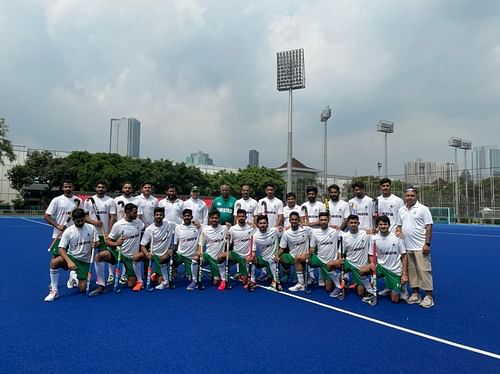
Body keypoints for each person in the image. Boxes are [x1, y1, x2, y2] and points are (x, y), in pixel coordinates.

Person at [89, 203, 145, 296]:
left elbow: (146, 228)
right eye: (134, 213)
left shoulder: (139, 223)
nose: (136, 215)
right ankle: (101, 285)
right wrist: (116, 243)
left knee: (131, 284)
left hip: (131, 257)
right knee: (99, 256)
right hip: (118, 253)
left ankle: (129, 275)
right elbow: (108, 241)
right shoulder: (118, 225)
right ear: (127, 212)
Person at [44, 208, 99, 301]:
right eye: (78, 221)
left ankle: (73, 276)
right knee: (54, 262)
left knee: (82, 288)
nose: (81, 223)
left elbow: (97, 242)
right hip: (72, 257)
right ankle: (54, 291)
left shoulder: (92, 228)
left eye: (83, 220)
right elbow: (61, 249)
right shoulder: (69, 231)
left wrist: (96, 244)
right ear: (73, 219)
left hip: (85, 261)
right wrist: (69, 262)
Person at [397, 187, 434, 308]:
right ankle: (416, 294)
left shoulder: (423, 209)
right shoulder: (401, 209)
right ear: (405, 196)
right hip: (407, 247)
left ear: (416, 196)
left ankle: (428, 296)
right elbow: (399, 225)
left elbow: (428, 226)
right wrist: (398, 231)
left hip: (420, 246)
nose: (409, 198)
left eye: (412, 195)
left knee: (424, 271)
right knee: (412, 271)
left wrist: (427, 244)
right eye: (407, 195)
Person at [361, 215, 408, 303]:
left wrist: (404, 274)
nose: (383, 226)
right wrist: (371, 263)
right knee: (362, 270)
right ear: (377, 226)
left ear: (389, 225)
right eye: (381, 224)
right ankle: (371, 292)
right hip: (381, 267)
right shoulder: (374, 238)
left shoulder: (397, 237)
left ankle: (396, 287)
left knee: (394, 300)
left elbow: (404, 256)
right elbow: (371, 254)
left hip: (394, 270)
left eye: (385, 224)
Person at [339, 215, 374, 302]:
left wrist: (374, 231)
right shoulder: (345, 236)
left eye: (355, 223)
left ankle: (363, 286)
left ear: (358, 223)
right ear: (348, 224)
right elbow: (341, 252)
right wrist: (340, 259)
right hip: (349, 263)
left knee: (360, 293)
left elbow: (376, 236)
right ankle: (341, 282)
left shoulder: (365, 234)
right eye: (351, 223)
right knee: (331, 264)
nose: (353, 224)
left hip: (360, 267)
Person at [140, 207, 176, 290]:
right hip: (154, 254)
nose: (158, 216)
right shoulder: (149, 229)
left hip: (165, 254)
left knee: (161, 281)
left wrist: (172, 249)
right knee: (138, 256)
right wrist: (147, 254)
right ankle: (145, 275)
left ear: (163, 216)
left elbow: (182, 227)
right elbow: (142, 245)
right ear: (154, 216)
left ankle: (159, 276)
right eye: (157, 215)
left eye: (160, 215)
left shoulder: (170, 224)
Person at [44, 180, 83, 257]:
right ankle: (53, 270)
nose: (68, 188)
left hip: (75, 234)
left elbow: (82, 216)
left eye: (70, 187)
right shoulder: (57, 200)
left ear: (73, 188)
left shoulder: (79, 201)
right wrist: (58, 226)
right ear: (62, 188)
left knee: (74, 257)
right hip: (59, 234)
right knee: (56, 258)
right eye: (66, 187)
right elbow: (46, 216)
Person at [110, 181, 138, 285]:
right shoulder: (116, 200)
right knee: (110, 253)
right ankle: (111, 275)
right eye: (125, 187)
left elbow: (138, 217)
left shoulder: (136, 200)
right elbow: (112, 216)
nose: (127, 189)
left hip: (132, 228)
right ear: (122, 189)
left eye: (129, 188)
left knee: (132, 252)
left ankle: (125, 275)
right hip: (120, 229)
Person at [309, 212, 342, 296]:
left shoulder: (335, 231)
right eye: (321, 220)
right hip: (320, 260)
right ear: (319, 221)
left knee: (328, 289)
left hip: (331, 262)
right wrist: (309, 255)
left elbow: (344, 240)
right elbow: (312, 248)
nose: (323, 222)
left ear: (328, 220)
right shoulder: (315, 233)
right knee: (302, 258)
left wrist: (340, 256)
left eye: (325, 220)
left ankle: (336, 276)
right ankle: (304, 281)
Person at [279, 212, 313, 292]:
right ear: (289, 220)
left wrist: (311, 249)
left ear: (298, 221)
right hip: (292, 256)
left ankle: (301, 284)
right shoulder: (286, 233)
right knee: (277, 257)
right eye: (292, 220)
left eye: (296, 220)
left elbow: (317, 234)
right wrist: (276, 256)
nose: (294, 221)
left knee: (298, 258)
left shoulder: (306, 229)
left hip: (304, 256)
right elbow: (282, 248)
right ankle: (282, 276)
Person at [195, 209, 228, 290]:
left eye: (216, 218)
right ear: (209, 219)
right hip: (208, 256)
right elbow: (200, 244)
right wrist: (199, 252)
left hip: (219, 259)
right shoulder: (205, 230)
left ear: (219, 219)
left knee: (215, 283)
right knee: (195, 259)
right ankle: (194, 280)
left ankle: (215, 274)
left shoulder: (225, 228)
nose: (214, 220)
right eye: (212, 218)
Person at [84, 180, 116, 252]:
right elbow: (85, 217)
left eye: (103, 187)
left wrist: (110, 232)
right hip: (91, 232)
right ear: (96, 188)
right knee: (90, 253)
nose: (101, 189)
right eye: (99, 187)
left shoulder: (110, 200)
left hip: (104, 233)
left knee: (103, 253)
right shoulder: (88, 200)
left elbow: (112, 217)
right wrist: (94, 222)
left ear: (105, 189)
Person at [174, 208, 202, 291]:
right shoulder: (178, 228)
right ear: (182, 217)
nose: (186, 217)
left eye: (188, 216)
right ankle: (168, 277)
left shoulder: (197, 227)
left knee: (191, 277)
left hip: (191, 256)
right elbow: (175, 243)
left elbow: (209, 228)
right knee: (168, 258)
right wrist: (172, 251)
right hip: (180, 254)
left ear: (191, 217)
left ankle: (194, 281)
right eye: (185, 216)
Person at [252, 214, 281, 289]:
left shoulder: (274, 231)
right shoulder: (255, 236)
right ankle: (252, 281)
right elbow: (253, 251)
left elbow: (285, 234)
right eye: (260, 223)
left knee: (272, 259)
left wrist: (278, 255)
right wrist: (253, 257)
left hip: (274, 258)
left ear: (267, 223)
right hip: (263, 259)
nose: (262, 225)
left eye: (264, 223)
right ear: (257, 224)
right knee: (250, 260)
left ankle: (276, 281)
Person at [229, 209, 256, 290]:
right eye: (239, 216)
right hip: (235, 254)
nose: (241, 218)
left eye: (243, 216)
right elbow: (229, 244)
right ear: (237, 217)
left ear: (246, 217)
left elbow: (260, 233)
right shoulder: (232, 229)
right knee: (222, 257)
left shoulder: (251, 228)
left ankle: (243, 275)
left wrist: (255, 226)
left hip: (246, 257)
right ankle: (222, 277)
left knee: (244, 282)